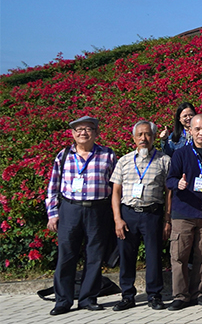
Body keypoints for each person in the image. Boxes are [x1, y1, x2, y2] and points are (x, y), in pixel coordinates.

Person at [45, 116, 118, 315]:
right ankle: (63, 300)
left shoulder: (108, 155)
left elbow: (115, 187)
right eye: (78, 129)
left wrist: (115, 214)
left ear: (96, 133)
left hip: (98, 210)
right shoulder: (64, 155)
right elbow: (53, 186)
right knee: (66, 256)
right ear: (72, 134)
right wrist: (52, 213)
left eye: (87, 129)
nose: (83, 133)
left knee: (94, 256)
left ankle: (88, 298)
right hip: (70, 209)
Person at [110, 120, 171, 311]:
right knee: (127, 257)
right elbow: (116, 192)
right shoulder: (124, 161)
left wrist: (167, 219)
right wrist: (117, 219)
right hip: (128, 214)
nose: (143, 138)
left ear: (153, 137)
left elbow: (169, 192)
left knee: (153, 257)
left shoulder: (164, 160)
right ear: (134, 138)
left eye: (147, 134)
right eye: (140, 135)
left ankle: (154, 295)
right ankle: (127, 295)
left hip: (152, 214)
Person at [165, 114, 202, 310]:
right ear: (189, 130)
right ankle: (180, 295)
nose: (201, 133)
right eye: (197, 129)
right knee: (179, 256)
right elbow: (169, 179)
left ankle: (199, 293)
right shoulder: (180, 154)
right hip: (183, 213)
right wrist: (178, 183)